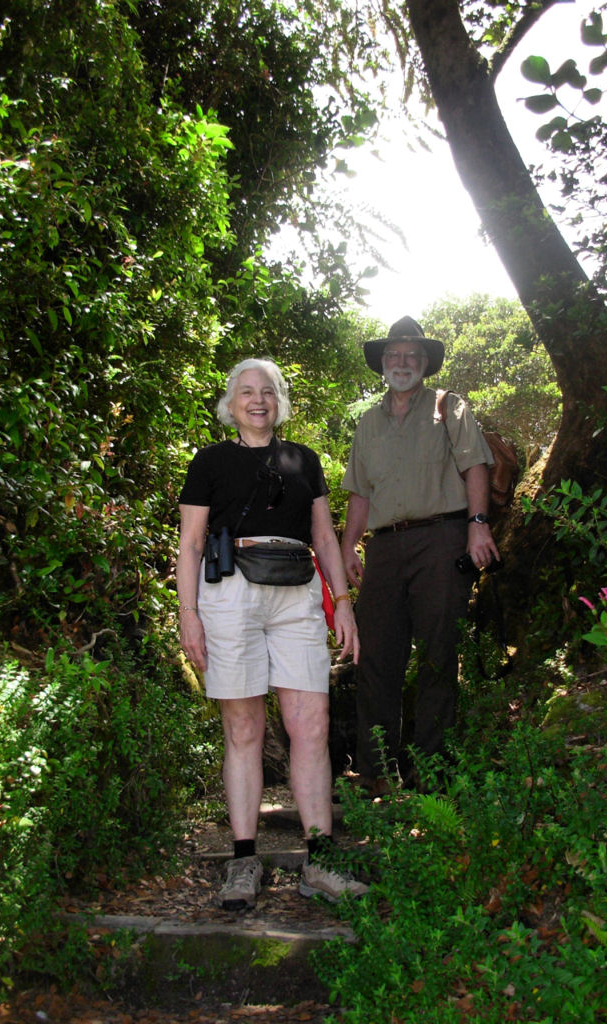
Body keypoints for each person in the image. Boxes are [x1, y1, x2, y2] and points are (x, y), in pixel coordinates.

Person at [177, 357, 366, 909]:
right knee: (243, 729)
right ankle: (243, 861)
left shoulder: (303, 459)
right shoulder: (210, 461)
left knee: (311, 724)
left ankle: (321, 863)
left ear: (279, 401)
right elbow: (191, 543)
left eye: (267, 391)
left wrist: (343, 604)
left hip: (298, 592)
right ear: (230, 404)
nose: (257, 400)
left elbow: (324, 537)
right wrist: (188, 614)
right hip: (230, 593)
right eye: (246, 391)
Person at [341, 316, 500, 793]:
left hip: (442, 540)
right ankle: (376, 773)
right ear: (382, 363)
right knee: (375, 656)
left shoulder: (449, 406)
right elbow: (359, 492)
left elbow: (475, 467)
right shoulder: (369, 422)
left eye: (412, 355)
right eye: (394, 354)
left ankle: (430, 774)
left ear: (425, 362)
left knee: (437, 653)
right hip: (385, 547)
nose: (402, 362)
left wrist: (477, 525)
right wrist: (348, 544)